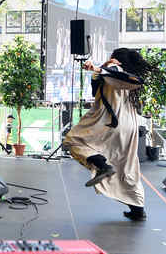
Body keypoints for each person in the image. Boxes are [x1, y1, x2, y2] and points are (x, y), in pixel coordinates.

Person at [63, 48, 148, 221]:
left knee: (73, 140)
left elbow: (119, 79)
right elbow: (98, 88)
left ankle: (102, 165)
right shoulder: (117, 72)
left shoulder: (115, 71)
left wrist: (100, 68)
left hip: (110, 121)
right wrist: (101, 68)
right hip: (129, 125)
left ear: (116, 59)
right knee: (127, 167)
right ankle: (138, 209)